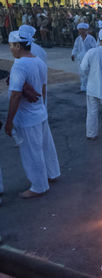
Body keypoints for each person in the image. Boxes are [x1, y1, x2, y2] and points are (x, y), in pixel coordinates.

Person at [4, 30, 54, 198]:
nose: (10, 49)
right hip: (39, 113)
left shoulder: (19, 65)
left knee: (32, 153)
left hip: (27, 117)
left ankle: (39, 186)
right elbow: (43, 88)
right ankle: (46, 178)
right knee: (40, 148)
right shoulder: (39, 61)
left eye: (11, 46)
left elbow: (16, 95)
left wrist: (9, 121)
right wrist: (42, 107)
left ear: (18, 46)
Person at [71, 22, 96, 93]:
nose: (81, 31)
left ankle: (90, 85)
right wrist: (73, 54)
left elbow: (94, 48)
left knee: (89, 72)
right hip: (80, 58)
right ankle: (83, 85)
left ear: (86, 30)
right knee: (81, 72)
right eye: (80, 29)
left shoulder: (91, 38)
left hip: (89, 58)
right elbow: (75, 48)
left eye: (83, 29)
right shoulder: (78, 39)